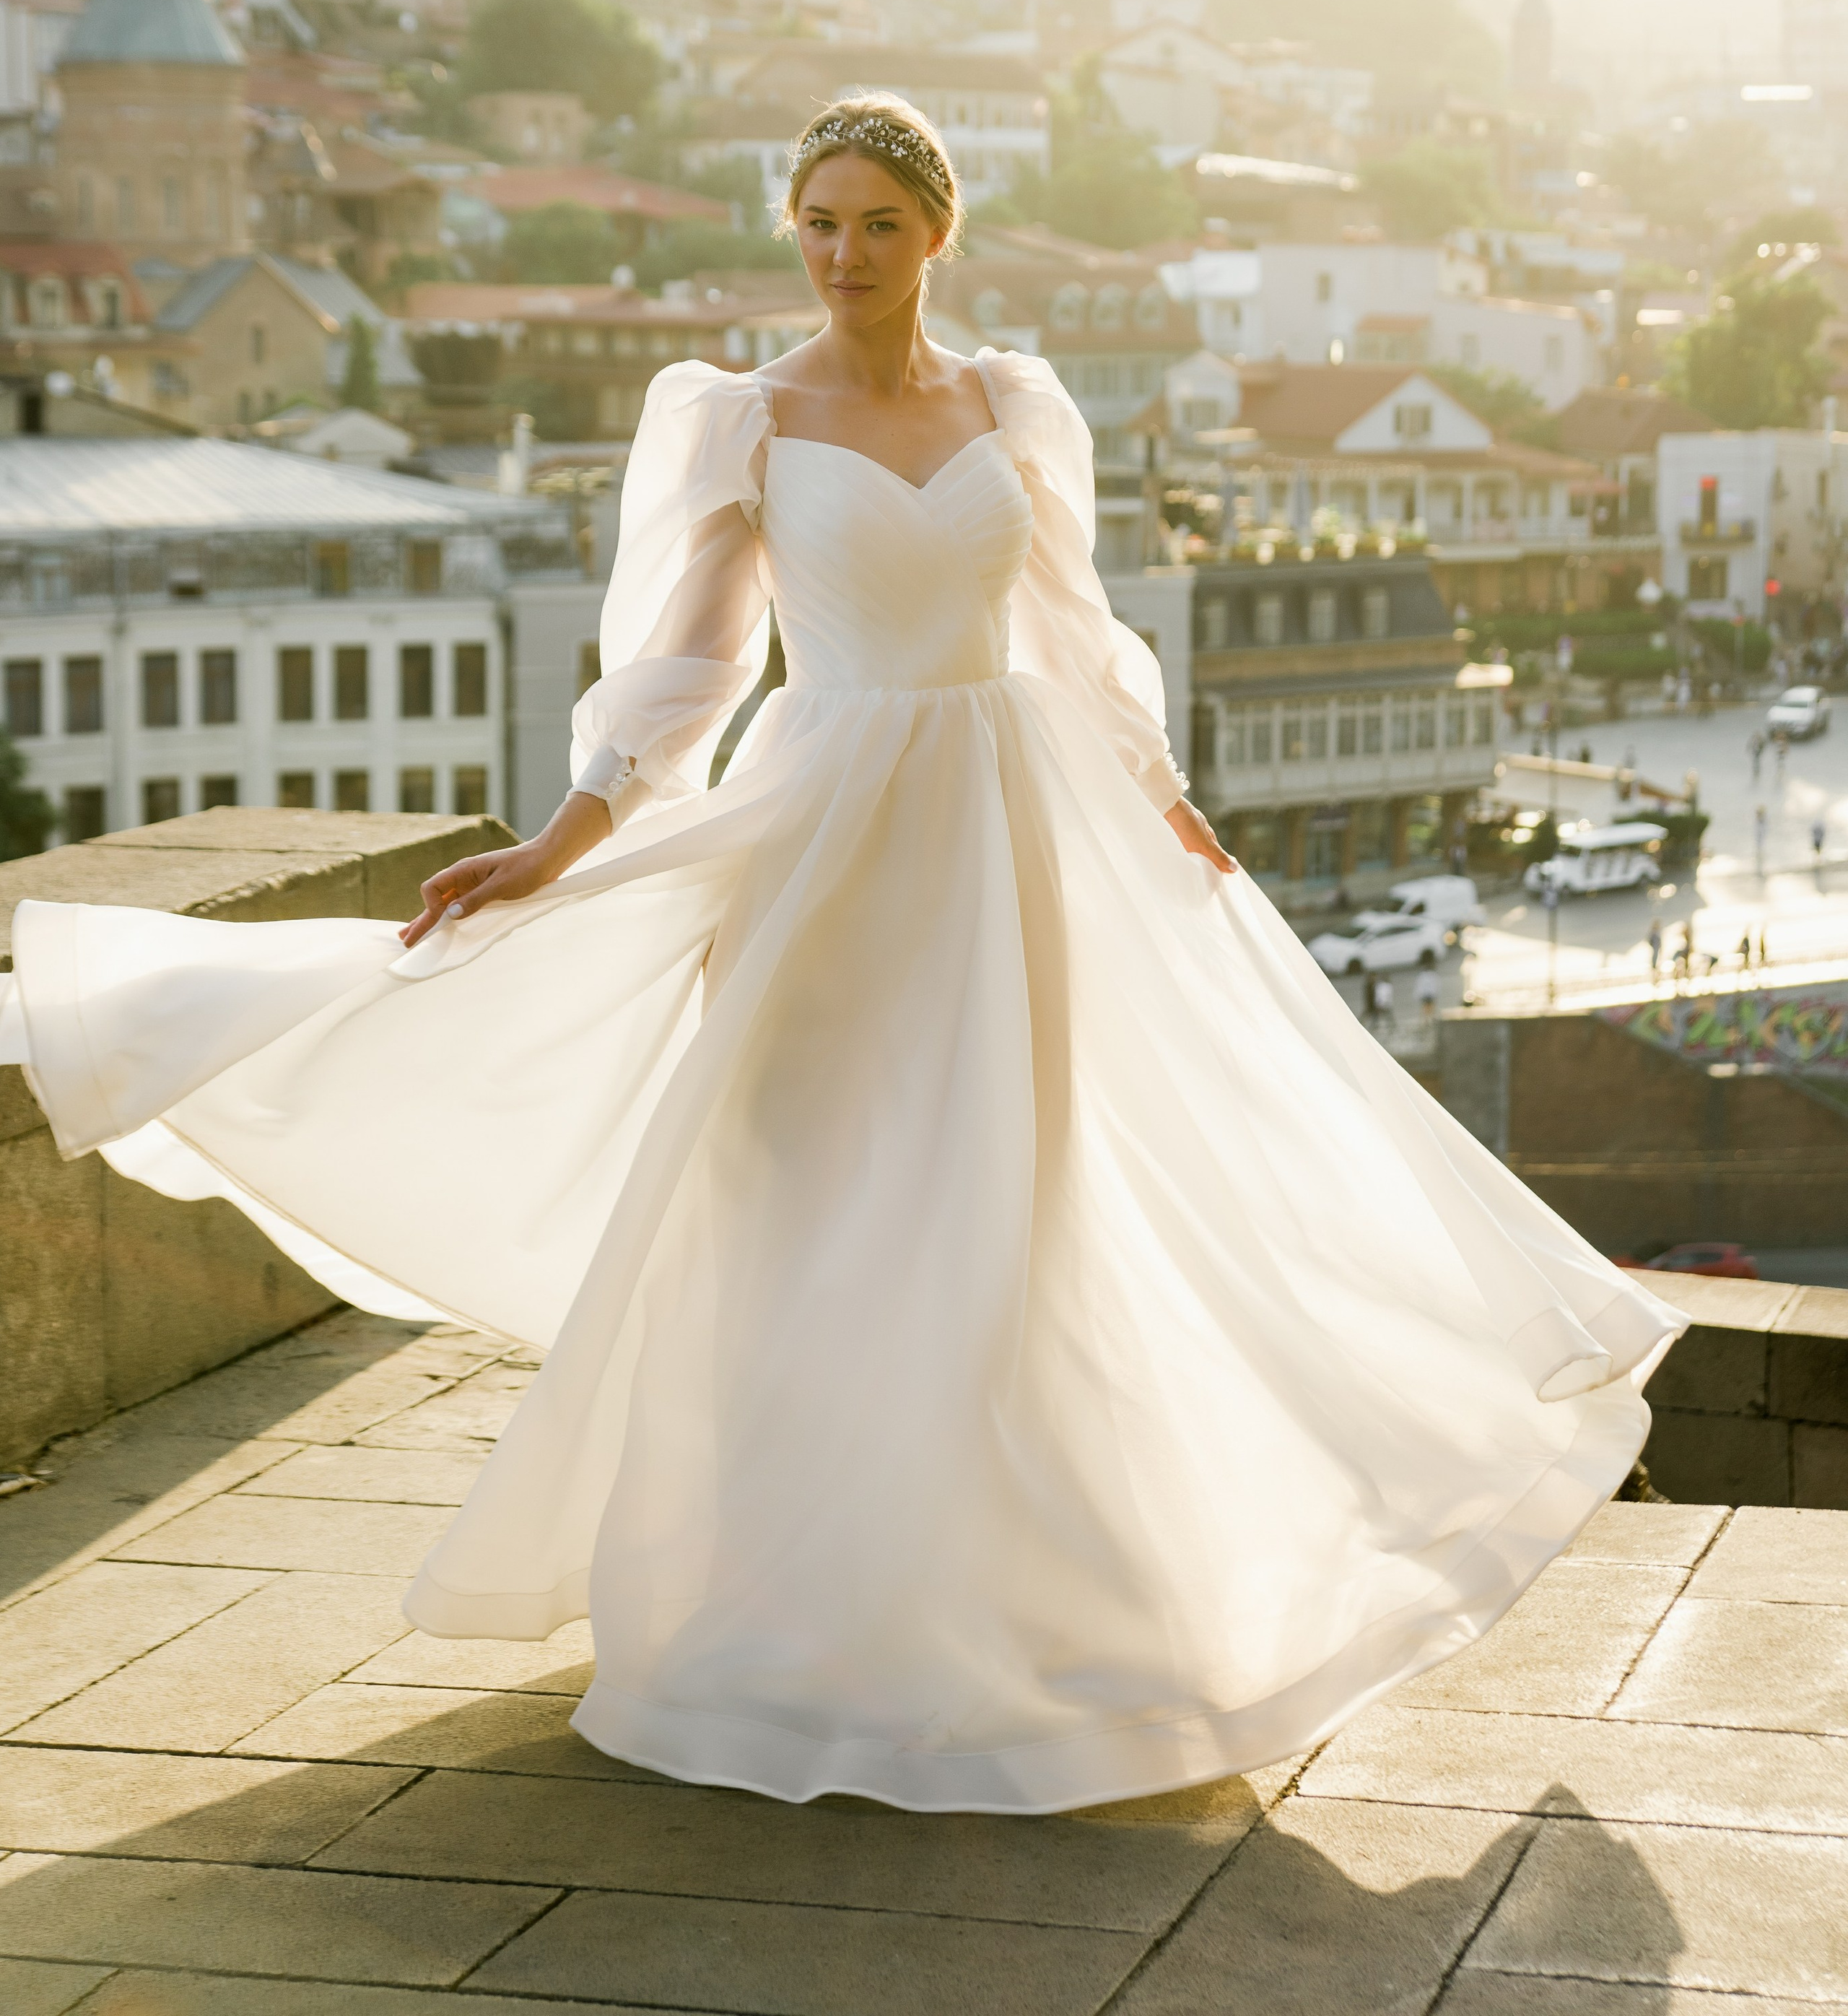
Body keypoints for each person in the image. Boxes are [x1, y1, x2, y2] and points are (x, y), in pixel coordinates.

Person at [0, 95, 1683, 1817]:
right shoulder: (745, 418)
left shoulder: (1010, 401)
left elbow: (1067, 623)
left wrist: (1160, 798)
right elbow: (690, 673)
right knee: (804, 1206)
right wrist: (561, 839)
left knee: (1003, 1213)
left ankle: (996, 1610)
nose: (841, 254)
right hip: (820, 843)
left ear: (935, 231)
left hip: (1002, 836)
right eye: (816, 221)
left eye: (877, 222)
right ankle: (788, 1621)